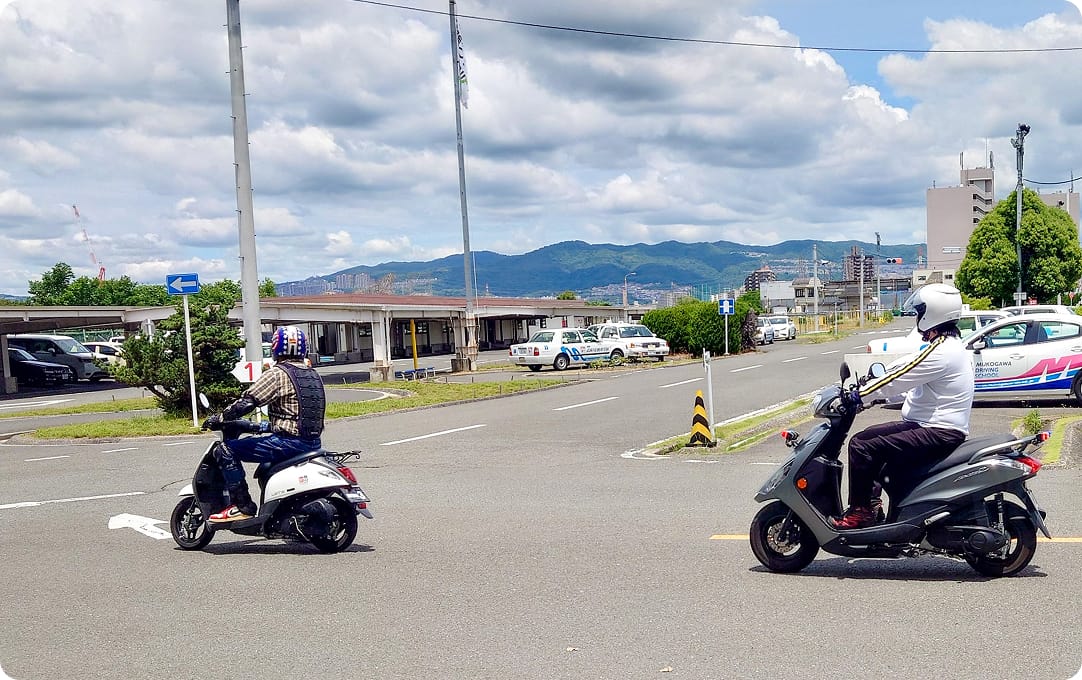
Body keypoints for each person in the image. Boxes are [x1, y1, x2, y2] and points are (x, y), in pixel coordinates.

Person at [831, 283, 975, 530]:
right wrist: (875, 386)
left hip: (937, 430)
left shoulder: (942, 352)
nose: (917, 317)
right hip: (934, 427)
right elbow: (905, 369)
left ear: (932, 314)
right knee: (874, 444)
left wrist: (859, 395)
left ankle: (861, 513)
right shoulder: (947, 347)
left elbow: (900, 377)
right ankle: (873, 506)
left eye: (920, 312)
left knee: (861, 444)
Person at [205, 325, 326, 523]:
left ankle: (241, 506)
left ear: (276, 348)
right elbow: (296, 414)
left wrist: (219, 418)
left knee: (225, 450)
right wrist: (258, 427)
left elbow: (246, 403)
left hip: (288, 443)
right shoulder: (312, 375)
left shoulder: (277, 374)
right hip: (313, 443)